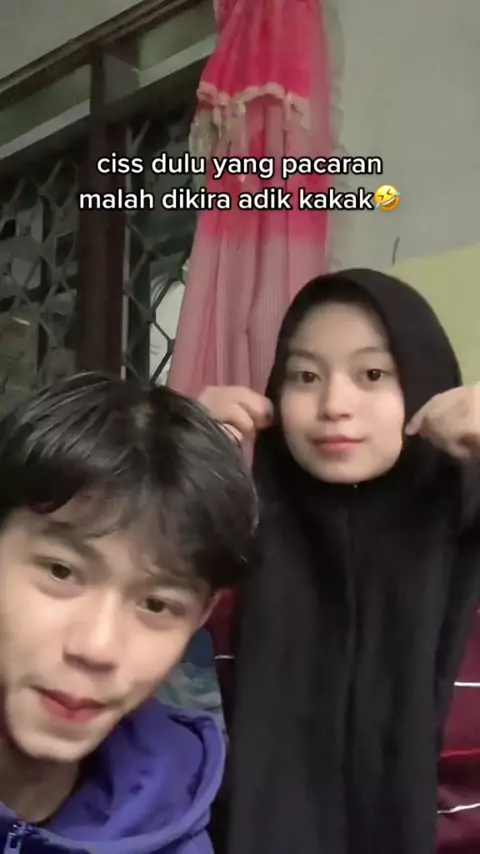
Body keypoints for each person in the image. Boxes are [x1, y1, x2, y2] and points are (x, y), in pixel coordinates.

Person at [199, 269, 480, 854]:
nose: (333, 405)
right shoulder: (227, 564)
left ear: (426, 382)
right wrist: (180, 459)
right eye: (305, 376)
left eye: (372, 374)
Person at [0, 372, 257, 854]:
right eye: (61, 571)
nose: (96, 647)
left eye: (157, 604)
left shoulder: (174, 822)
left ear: (201, 617)